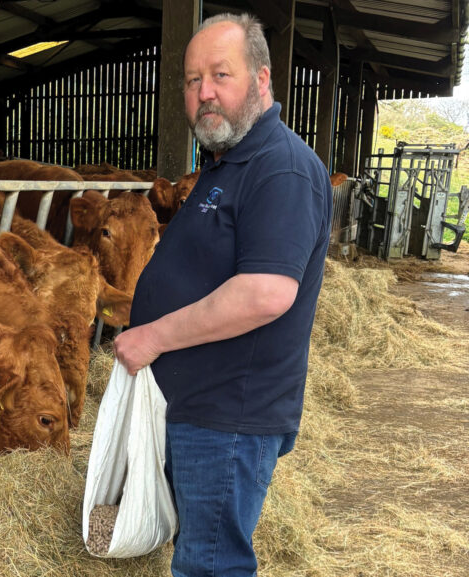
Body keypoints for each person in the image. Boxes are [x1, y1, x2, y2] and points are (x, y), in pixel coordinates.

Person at [113, 12, 332, 577]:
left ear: (262, 80)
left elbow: (264, 293)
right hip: (196, 411)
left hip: (228, 421)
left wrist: (151, 337)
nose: (204, 93)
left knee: (209, 566)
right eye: (191, 80)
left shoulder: (280, 168)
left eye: (220, 75)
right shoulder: (223, 163)